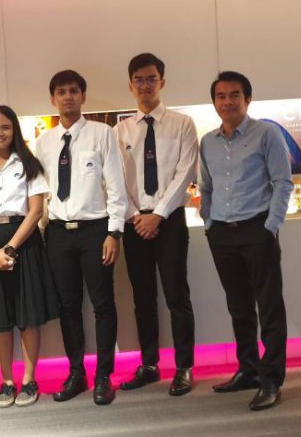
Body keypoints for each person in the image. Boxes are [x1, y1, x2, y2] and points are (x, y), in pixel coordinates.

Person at [199, 71, 294, 411]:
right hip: (222, 234)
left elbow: (283, 182)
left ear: (248, 99)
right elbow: (206, 187)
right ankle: (249, 369)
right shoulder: (207, 142)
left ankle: (271, 379)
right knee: (238, 307)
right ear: (214, 102)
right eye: (221, 96)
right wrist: (209, 222)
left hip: (257, 230)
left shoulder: (266, 134)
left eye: (234, 95)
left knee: (269, 307)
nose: (227, 101)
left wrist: (271, 226)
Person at [35, 70, 127, 406]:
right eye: (61, 92)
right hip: (58, 233)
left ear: (83, 96)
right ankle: (77, 373)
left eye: (74, 91)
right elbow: (41, 191)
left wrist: (114, 232)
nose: (68, 97)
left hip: (95, 231)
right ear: (53, 99)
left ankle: (104, 375)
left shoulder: (103, 133)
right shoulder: (44, 142)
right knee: (68, 306)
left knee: (103, 305)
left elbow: (116, 186)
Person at [114, 53, 198, 396]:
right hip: (134, 223)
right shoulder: (119, 130)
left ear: (162, 82)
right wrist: (136, 215)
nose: (145, 85)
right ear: (130, 85)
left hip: (170, 220)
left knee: (177, 295)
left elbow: (186, 172)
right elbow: (115, 180)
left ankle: (184, 367)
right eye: (139, 79)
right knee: (143, 297)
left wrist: (158, 215)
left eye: (151, 78)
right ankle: (149, 365)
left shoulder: (183, 124)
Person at [0, 105, 59, 408]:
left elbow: (36, 211)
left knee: (28, 315)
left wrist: (10, 249)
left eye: (5, 127)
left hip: (24, 241)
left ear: (14, 130)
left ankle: (29, 379)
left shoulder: (30, 164)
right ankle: (7, 381)